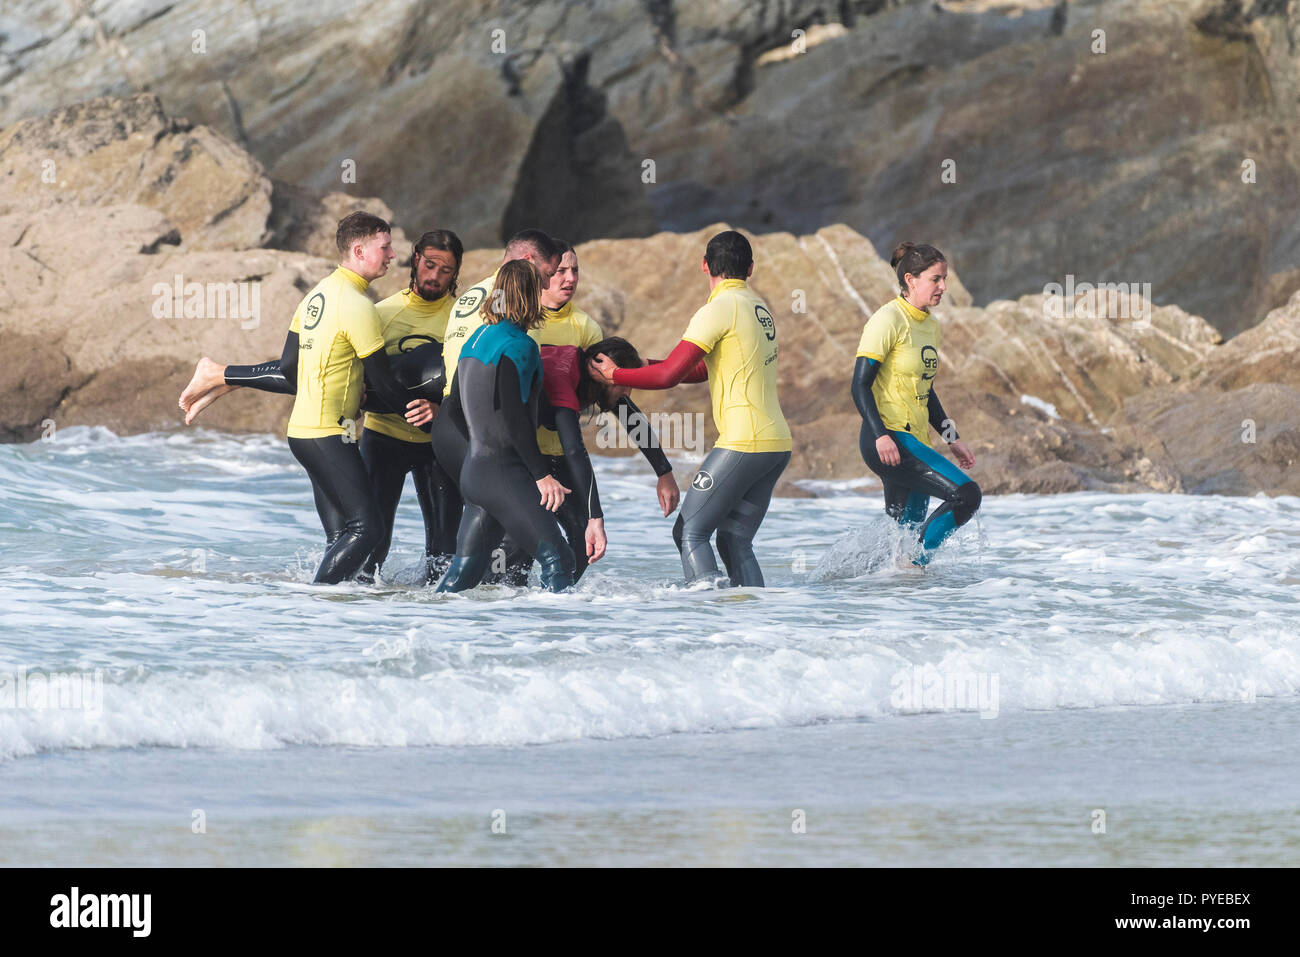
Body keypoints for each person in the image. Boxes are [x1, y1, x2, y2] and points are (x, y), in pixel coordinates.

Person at [178, 230, 461, 582]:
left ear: (456, 273)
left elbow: (471, 385)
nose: (434, 276)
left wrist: (441, 413)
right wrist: (363, 398)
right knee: (372, 546)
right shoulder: (379, 313)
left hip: (437, 444)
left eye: (445, 270)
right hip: (385, 438)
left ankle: (430, 617)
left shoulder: (462, 319)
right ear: (416, 260)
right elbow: (319, 373)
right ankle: (345, 616)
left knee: (445, 553)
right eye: (429, 265)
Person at [589, 230, 790, 587]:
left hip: (744, 444)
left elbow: (668, 376)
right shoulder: (758, 308)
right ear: (751, 268)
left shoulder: (717, 309)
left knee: (690, 533)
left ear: (704, 266)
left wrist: (615, 373)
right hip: (776, 445)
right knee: (734, 540)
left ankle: (707, 619)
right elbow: (698, 370)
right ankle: (759, 624)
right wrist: (641, 363)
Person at [280, 211, 426, 583]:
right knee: (368, 531)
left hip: (302, 430)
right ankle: (318, 599)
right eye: (386, 246)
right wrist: (429, 411)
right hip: (330, 433)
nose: (394, 255)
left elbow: (288, 366)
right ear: (359, 251)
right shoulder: (357, 305)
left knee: (341, 535)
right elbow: (386, 383)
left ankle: (333, 621)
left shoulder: (317, 295)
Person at [434, 261, 575, 593]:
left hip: (475, 472)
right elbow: (515, 420)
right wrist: (542, 476)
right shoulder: (520, 346)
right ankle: (558, 638)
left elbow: (453, 407)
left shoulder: (476, 338)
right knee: (559, 560)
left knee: (466, 571)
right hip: (502, 471)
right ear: (530, 294)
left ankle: (426, 627)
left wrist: (480, 445)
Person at [850, 241, 980, 566]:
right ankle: (915, 565)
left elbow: (927, 390)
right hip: (890, 439)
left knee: (902, 533)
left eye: (944, 279)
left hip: (915, 439)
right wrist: (881, 435)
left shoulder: (930, 326)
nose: (943, 287)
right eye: (936, 279)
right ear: (911, 280)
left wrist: (953, 438)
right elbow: (860, 384)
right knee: (966, 496)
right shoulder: (887, 320)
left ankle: (878, 588)